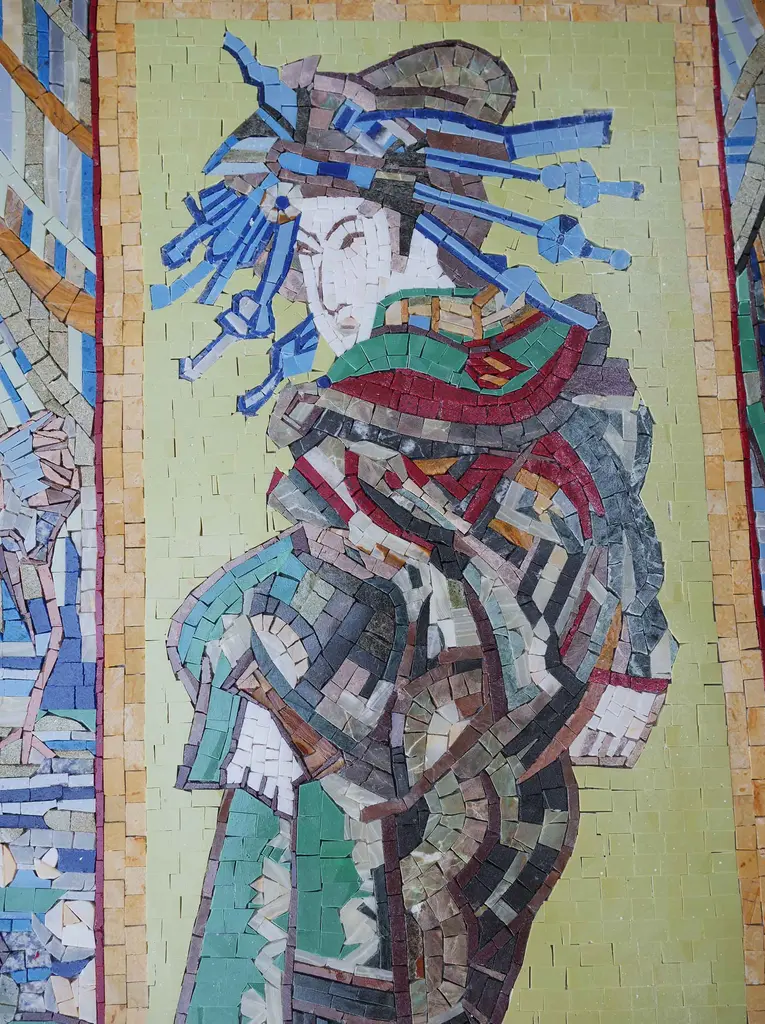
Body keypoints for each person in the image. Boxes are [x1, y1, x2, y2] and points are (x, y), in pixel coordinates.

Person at [160, 36, 676, 1024]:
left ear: (431, 231)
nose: (324, 289)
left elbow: (475, 585)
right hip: (457, 793)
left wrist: (270, 694)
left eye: (350, 242)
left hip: (427, 800)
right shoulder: (513, 373)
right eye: (308, 251)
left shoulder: (453, 388)